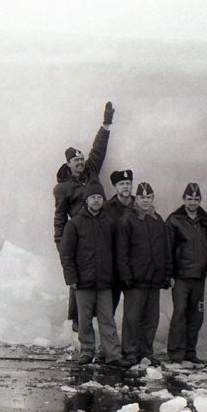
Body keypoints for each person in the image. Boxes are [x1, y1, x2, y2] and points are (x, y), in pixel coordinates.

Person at [53, 101, 115, 331]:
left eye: (81, 159)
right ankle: (78, 327)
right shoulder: (63, 189)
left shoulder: (92, 172)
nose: (80, 163)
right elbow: (60, 220)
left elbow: (98, 149)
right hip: (80, 237)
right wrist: (62, 246)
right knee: (79, 284)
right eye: (76, 161)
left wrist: (106, 124)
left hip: (102, 231)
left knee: (104, 280)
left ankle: (104, 327)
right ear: (68, 164)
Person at [58, 182, 132, 369]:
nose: (96, 201)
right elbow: (66, 254)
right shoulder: (75, 224)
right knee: (84, 320)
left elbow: (118, 251)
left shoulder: (110, 223)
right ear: (86, 200)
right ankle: (87, 351)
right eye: (93, 197)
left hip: (105, 282)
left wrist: (117, 275)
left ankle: (112, 354)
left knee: (107, 319)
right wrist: (71, 278)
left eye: (99, 197)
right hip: (83, 282)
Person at [116, 182, 172, 366]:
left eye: (148, 197)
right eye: (142, 197)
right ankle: (130, 352)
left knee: (151, 319)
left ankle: (146, 351)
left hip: (154, 279)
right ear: (136, 199)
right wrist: (125, 274)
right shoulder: (128, 220)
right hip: (136, 279)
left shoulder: (158, 220)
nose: (145, 201)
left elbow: (166, 249)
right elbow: (121, 251)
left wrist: (166, 273)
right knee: (132, 318)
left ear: (152, 198)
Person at [165, 182, 207, 364]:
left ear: (200, 200)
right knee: (179, 313)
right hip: (181, 276)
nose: (193, 202)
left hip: (199, 276)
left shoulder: (205, 221)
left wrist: (206, 257)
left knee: (196, 315)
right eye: (189, 198)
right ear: (184, 199)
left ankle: (190, 351)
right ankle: (176, 353)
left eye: (196, 199)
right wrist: (169, 274)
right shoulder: (174, 220)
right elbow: (168, 249)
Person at [103, 169, 135, 312]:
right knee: (109, 307)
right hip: (113, 266)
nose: (125, 187)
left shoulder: (139, 205)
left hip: (134, 266)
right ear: (115, 187)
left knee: (134, 309)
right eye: (121, 184)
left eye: (128, 183)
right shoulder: (106, 208)